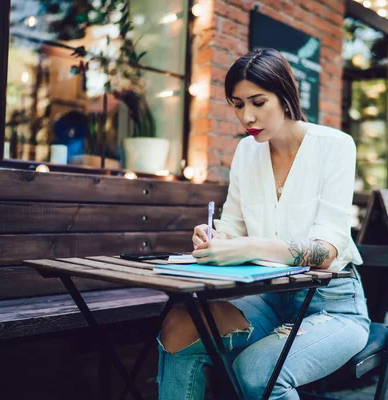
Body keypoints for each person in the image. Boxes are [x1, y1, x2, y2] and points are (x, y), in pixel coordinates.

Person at [157, 48, 370, 400]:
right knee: (181, 327)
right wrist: (216, 237)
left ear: (285, 96)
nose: (247, 116)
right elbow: (233, 226)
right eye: (238, 104)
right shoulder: (246, 152)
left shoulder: (335, 146)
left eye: (258, 101)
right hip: (265, 298)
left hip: (331, 305)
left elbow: (325, 253)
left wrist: (247, 247)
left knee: (255, 373)